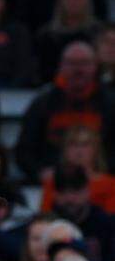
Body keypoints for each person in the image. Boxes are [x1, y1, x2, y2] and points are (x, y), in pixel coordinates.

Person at [16, 41, 115, 182]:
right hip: (53, 183)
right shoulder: (42, 103)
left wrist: (102, 174)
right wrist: (39, 172)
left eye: (84, 63)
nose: (78, 69)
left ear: (95, 66)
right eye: (72, 63)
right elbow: (25, 151)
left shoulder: (110, 104)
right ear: (61, 66)